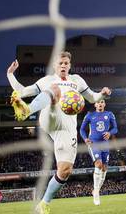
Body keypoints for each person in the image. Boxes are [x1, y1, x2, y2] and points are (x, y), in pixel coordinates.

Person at [7, 52, 112, 213]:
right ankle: (27, 110)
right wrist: (10, 74)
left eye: (65, 63)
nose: (63, 65)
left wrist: (102, 94)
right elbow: (23, 91)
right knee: (54, 90)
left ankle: (43, 204)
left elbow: (92, 98)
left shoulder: (77, 80)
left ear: (69, 65)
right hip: (50, 117)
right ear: (55, 66)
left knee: (65, 171)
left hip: (67, 128)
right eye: (60, 63)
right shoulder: (47, 80)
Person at [80, 98, 118, 206]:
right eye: (98, 102)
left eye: (102, 102)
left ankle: (96, 190)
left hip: (105, 144)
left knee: (105, 168)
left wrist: (110, 133)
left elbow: (115, 128)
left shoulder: (109, 114)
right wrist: (85, 138)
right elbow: (82, 129)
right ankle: (96, 193)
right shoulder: (89, 115)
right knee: (98, 164)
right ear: (95, 104)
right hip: (93, 143)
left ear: (104, 104)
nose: (100, 104)